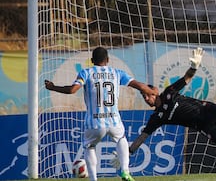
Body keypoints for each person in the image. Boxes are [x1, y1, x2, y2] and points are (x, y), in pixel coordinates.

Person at [45, 46, 157, 181]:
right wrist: (154, 93)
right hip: (114, 120)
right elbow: (141, 86)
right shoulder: (117, 73)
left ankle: (93, 179)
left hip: (94, 122)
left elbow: (72, 90)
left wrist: (53, 87)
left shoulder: (86, 73)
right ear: (108, 60)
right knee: (121, 139)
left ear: (92, 60)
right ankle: (125, 172)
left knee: (89, 146)